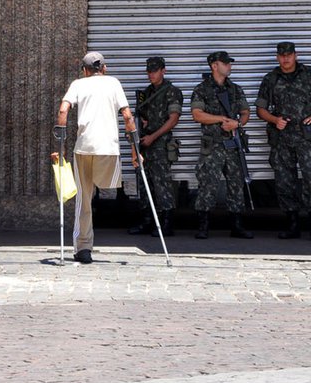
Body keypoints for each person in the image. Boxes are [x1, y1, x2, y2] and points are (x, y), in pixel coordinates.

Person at [55, 52, 137, 265]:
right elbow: (128, 116)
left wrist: (61, 145)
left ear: (85, 70)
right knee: (109, 187)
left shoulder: (78, 84)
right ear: (105, 68)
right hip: (109, 148)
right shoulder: (114, 83)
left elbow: (63, 110)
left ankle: (83, 248)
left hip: (85, 147)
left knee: (84, 199)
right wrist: (136, 150)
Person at [256, 42, 311, 241]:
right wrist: (274, 120)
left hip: (305, 138)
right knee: (284, 183)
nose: (286, 59)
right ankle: (293, 225)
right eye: (282, 55)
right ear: (277, 57)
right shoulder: (271, 79)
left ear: (295, 55)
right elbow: (260, 109)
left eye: (289, 55)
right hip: (281, 139)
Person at [190, 51, 252, 240]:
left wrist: (237, 124)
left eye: (229, 63)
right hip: (213, 145)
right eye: (225, 63)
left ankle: (237, 226)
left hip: (233, 144)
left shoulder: (235, 89)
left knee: (236, 185)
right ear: (214, 66)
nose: (229, 66)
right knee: (208, 185)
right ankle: (203, 226)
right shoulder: (202, 89)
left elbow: (246, 112)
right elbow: (197, 114)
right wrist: (221, 119)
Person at [127, 57, 182, 237]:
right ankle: (147, 221)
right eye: (149, 71)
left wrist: (154, 136)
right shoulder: (146, 93)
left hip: (161, 144)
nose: (151, 74)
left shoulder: (171, 92)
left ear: (163, 70)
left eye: (155, 70)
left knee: (162, 184)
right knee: (145, 184)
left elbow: (173, 119)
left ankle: (166, 223)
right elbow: (141, 117)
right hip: (145, 144)